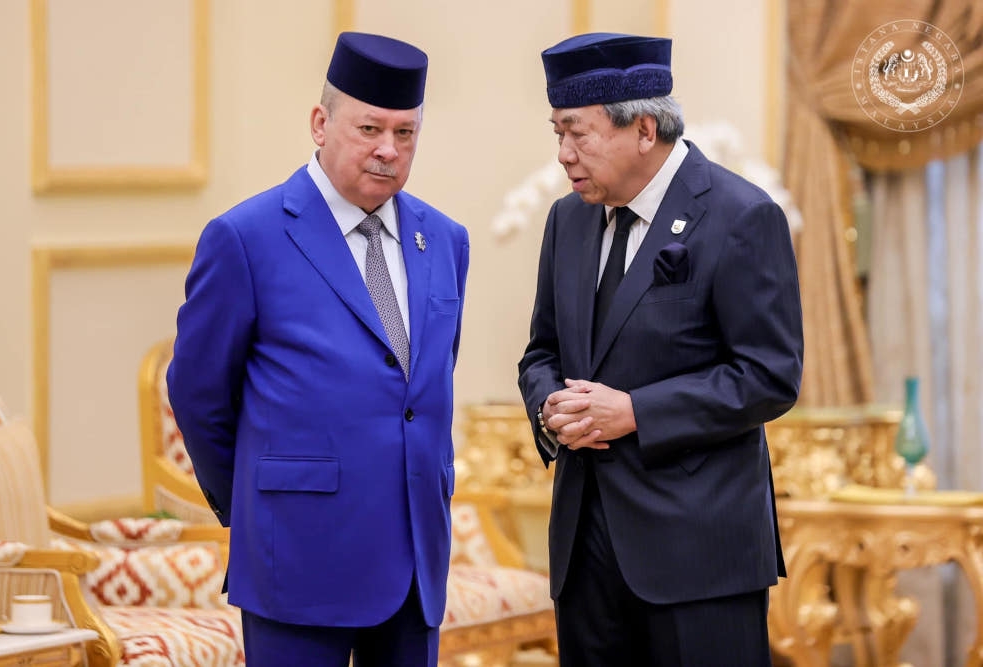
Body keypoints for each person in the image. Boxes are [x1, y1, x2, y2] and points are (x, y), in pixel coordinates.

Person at [168, 31, 469, 666]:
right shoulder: (245, 238)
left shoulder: (445, 240)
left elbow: (422, 388)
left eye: (405, 133)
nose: (388, 149)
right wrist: (259, 503)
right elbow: (199, 396)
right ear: (320, 123)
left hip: (416, 564)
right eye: (369, 129)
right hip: (296, 560)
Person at [517, 32, 804, 665]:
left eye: (577, 133)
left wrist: (636, 412)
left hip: (699, 558)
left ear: (644, 129)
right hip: (584, 551)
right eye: (556, 132)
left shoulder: (741, 216)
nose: (563, 154)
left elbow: (770, 375)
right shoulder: (568, 220)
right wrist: (550, 408)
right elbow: (541, 353)